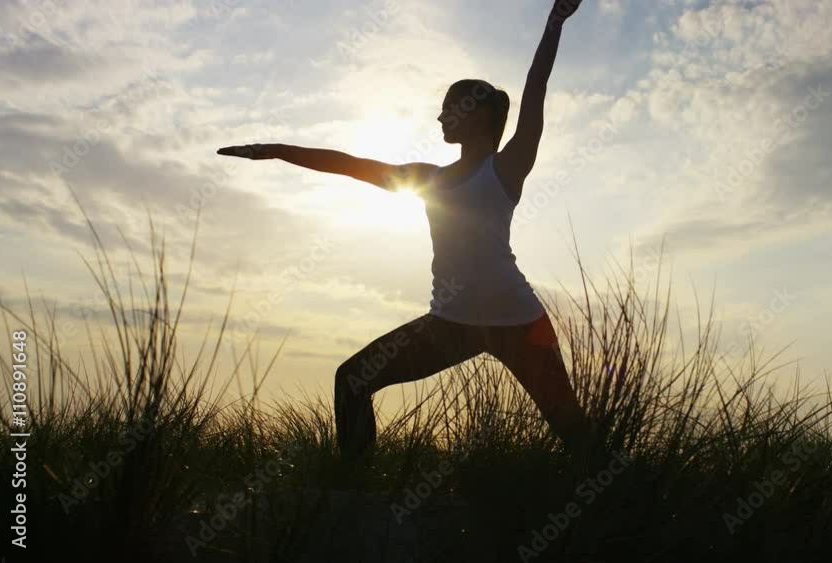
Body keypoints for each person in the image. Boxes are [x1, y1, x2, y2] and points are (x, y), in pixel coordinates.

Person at [218, 0, 592, 466]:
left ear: (474, 116)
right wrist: (274, 150)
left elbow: (536, 88)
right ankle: (353, 490)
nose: (439, 119)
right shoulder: (428, 178)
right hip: (451, 323)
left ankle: (627, 514)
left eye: (448, 109)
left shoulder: (507, 168)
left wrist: (555, 21)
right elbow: (352, 166)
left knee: (578, 437)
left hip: (519, 322)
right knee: (353, 379)